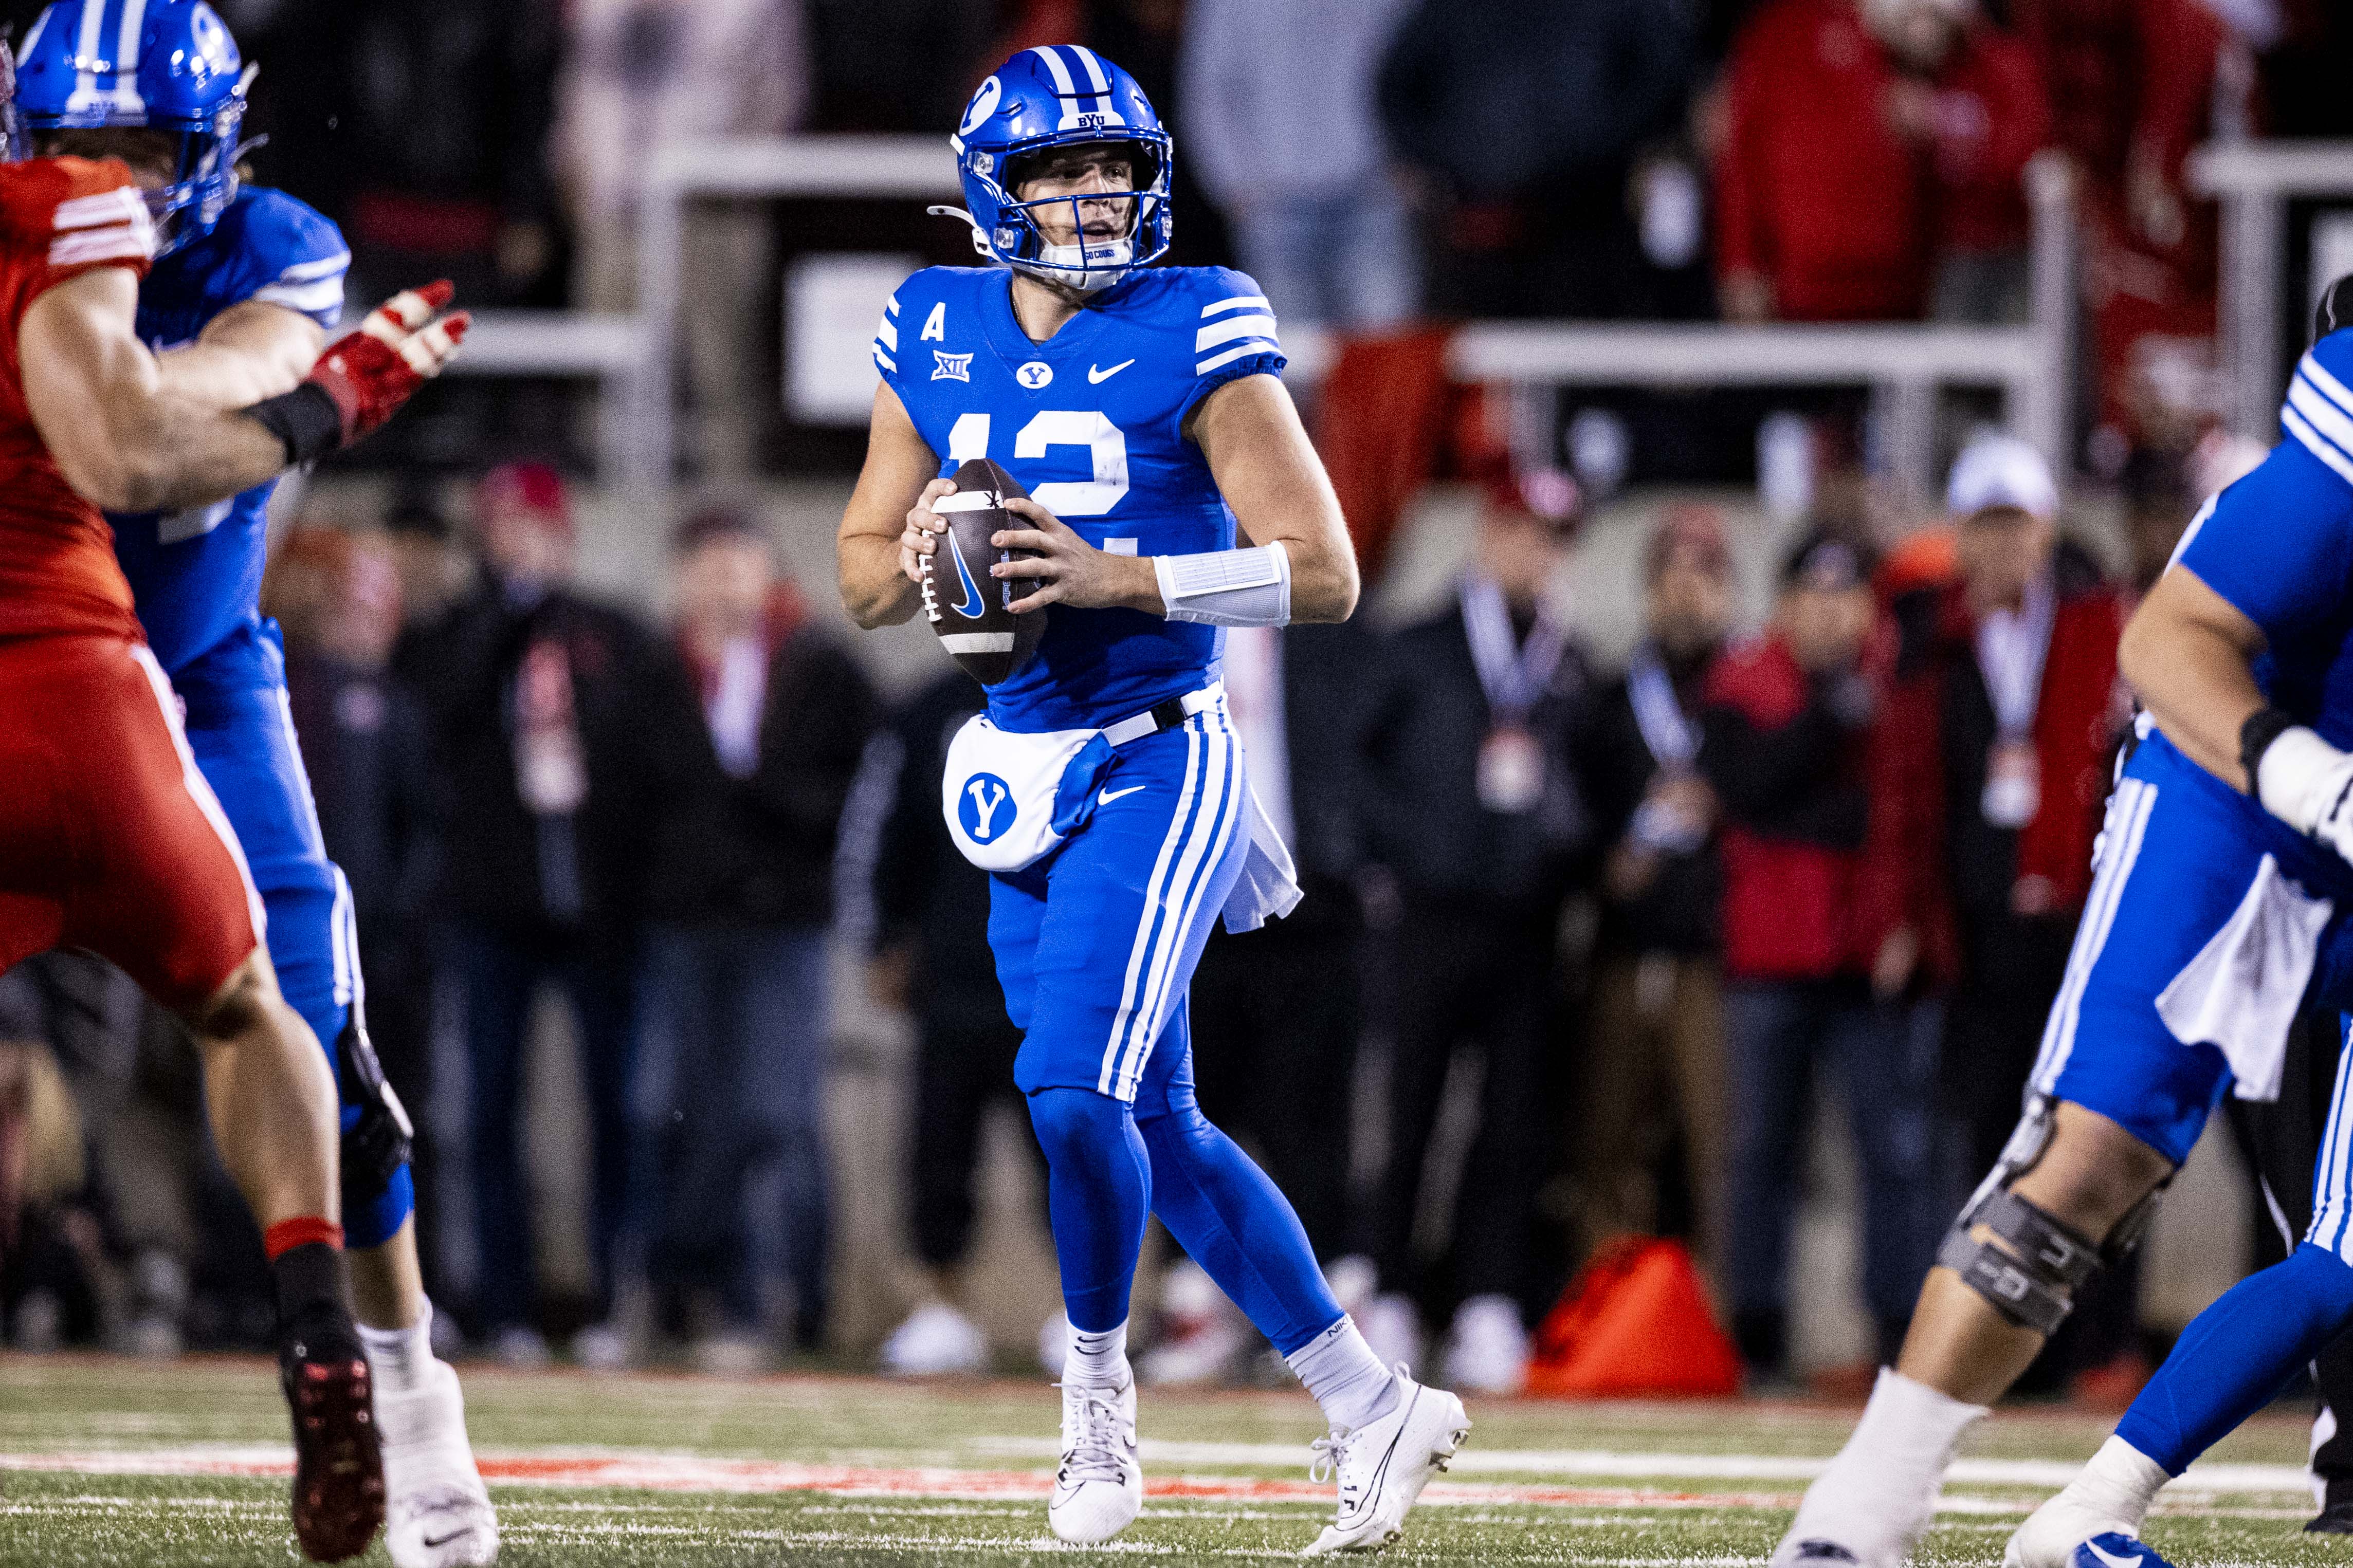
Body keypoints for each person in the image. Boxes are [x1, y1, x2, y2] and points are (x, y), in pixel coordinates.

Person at [834, 48, 1467, 1554]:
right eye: (1061, 171)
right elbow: (862, 574)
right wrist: (932, 546)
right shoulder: (928, 323)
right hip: (1016, 761)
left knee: (1068, 1092)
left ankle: (1096, 1413)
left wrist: (1127, 578)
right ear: (996, 189)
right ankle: (1373, 1404)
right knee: (1158, 1126)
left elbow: (1325, 572)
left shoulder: (1200, 318)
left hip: (1159, 746)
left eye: (1114, 166)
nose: (1097, 195)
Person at [1766, 282, 2353, 1568]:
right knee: (2090, 1156)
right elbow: (2165, 639)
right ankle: (1863, 1509)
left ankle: (2115, 1501)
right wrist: (2316, 784)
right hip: (2243, 783)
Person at [13, 8, 495, 1560]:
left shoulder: (273, 244)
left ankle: (415, 1410)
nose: (113, 188)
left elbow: (221, 403)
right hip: (37, 663)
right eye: (80, 153)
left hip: (197, 675)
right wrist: (325, 407)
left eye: (144, 156)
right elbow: (151, 441)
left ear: (214, 151)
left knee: (330, 1064)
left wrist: (257, 405)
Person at [1988, 282, 2353, 1568]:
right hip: (2281, 892)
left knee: (2329, 1244)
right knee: (2325, 1247)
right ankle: (2101, 1489)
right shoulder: (2292, 516)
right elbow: (2183, 690)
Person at [408, 463, 654, 1370]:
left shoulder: (611, 633)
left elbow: (646, 764)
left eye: (527, 525)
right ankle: (503, 1304)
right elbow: (442, 716)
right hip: (491, 909)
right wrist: (506, 618)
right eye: (498, 527)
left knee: (616, 1110)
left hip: (597, 913)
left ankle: (608, 1300)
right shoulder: (458, 635)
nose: (512, 542)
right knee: (489, 1113)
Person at [1358, 466, 1596, 1393]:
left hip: (1527, 921)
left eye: (1551, 539)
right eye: (1521, 533)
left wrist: (1561, 854)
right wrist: (1407, 852)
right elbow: (1361, 767)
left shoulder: (1566, 661)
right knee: (1409, 1107)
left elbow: (1587, 782)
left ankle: (1488, 1295)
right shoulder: (1416, 645)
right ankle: (1389, 1290)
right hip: (1426, 914)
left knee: (1512, 1119)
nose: (1533, 555)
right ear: (1487, 536)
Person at [621, 506, 875, 1366]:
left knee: (777, 1113)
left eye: (741, 565)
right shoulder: (650, 671)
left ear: (769, 577)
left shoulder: (822, 668)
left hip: (781, 922)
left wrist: (775, 821)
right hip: (682, 924)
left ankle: (790, 1301)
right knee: (680, 1114)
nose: (725, 583)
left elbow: (853, 787)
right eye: (709, 565)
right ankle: (689, 1293)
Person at [1701, 529, 1940, 1384]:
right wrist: (1825, 719)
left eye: (1847, 596)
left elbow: (1895, 807)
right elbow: (1750, 789)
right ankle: (1757, 1332)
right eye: (1815, 593)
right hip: (1770, 955)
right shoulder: (1744, 678)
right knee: (1760, 1149)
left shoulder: (1895, 682)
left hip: (1863, 955)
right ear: (1786, 603)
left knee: (1892, 1152)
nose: (1832, 612)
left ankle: (1894, 1335)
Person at [853, 667, 1036, 1377]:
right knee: (938, 1149)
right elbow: (882, 824)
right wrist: (882, 934)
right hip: (951, 974)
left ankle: (1083, 1311)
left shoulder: (1085, 695)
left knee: (1067, 1147)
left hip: (1049, 974)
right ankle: (941, 1302)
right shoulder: (927, 708)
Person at [1570, 507, 1735, 1279]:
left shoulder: (1747, 695)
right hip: (1623, 947)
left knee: (1718, 1151)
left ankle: (1718, 1327)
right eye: (1673, 575)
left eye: (1704, 576)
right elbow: (1573, 805)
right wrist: (1608, 859)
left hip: (1716, 954)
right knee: (1605, 1139)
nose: (1687, 593)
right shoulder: (1609, 696)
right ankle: (1600, 1323)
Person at [1714, 0, 2048, 324]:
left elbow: (2012, 135)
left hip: (1913, 291)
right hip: (1798, 293)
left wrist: (1940, 109)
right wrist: (1740, 263)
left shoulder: (1945, 36)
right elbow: (1741, 158)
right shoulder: (1779, 30)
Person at [1178, 0, 1417, 333]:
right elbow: (1209, 89)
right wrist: (1232, 184)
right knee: (1290, 355)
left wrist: (1415, 160)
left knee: (1383, 351)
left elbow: (1423, 63)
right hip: (1275, 203)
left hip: (1373, 192)